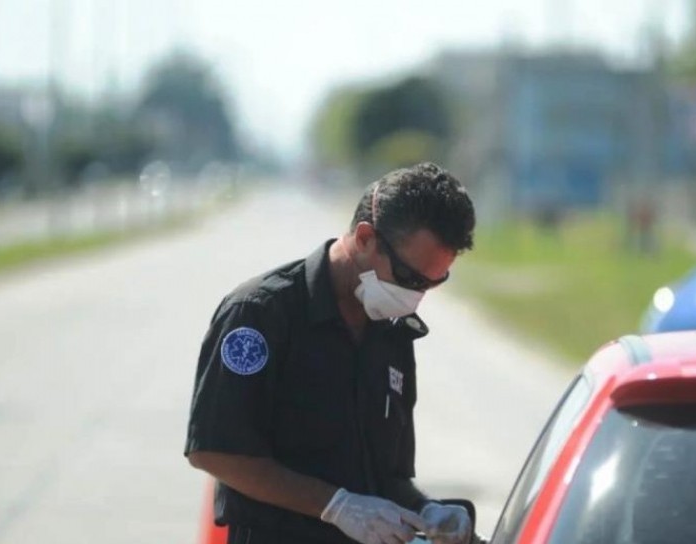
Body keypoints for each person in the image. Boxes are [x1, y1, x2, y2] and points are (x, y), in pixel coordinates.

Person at [185, 162, 479, 544]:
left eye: (433, 282)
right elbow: (214, 450)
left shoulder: (392, 333)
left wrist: (427, 510)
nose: (416, 296)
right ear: (364, 239)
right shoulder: (261, 314)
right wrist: (334, 505)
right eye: (409, 278)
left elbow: (389, 477)